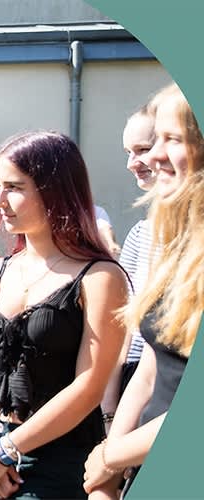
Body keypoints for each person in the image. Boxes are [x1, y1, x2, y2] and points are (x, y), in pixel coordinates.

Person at [0, 131, 127, 499]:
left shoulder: (100, 277)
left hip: (60, 460)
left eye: (14, 187)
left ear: (55, 191)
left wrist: (6, 451)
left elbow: (90, 386)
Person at [83, 83, 204, 498]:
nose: (151, 157)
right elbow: (152, 363)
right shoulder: (178, 244)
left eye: (170, 140)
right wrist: (112, 463)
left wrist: (109, 457)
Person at [99, 107, 156, 430]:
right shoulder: (142, 233)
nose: (132, 163)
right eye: (128, 152)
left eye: (143, 149)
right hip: (133, 382)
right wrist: (109, 411)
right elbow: (122, 324)